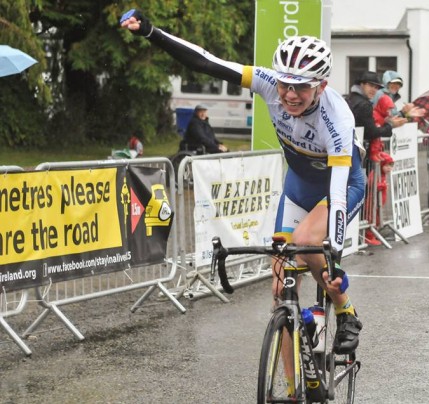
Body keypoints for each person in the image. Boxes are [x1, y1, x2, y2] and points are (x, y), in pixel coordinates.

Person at [120, 10, 364, 354]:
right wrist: (151, 32)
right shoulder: (267, 82)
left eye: (302, 88)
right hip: (298, 186)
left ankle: (345, 310)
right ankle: (293, 390)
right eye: (284, 84)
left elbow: (337, 194)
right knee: (280, 293)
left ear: (321, 86)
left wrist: (334, 257)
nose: (290, 95)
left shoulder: (337, 118)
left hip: (341, 187)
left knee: (308, 240)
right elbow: (206, 62)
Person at [344, 71, 407, 171]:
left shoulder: (350, 98)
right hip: (357, 154)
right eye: (370, 85)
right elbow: (371, 132)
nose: (374, 90)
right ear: (361, 84)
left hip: (347, 151)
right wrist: (390, 125)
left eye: (376, 87)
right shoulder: (364, 104)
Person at [364, 152, 394, 245]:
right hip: (372, 202)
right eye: (387, 166)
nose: (389, 168)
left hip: (377, 203)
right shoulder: (375, 173)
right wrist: (382, 186)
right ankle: (368, 237)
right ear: (381, 165)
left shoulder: (382, 174)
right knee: (371, 219)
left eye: (391, 166)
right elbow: (371, 184)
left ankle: (372, 235)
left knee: (376, 219)